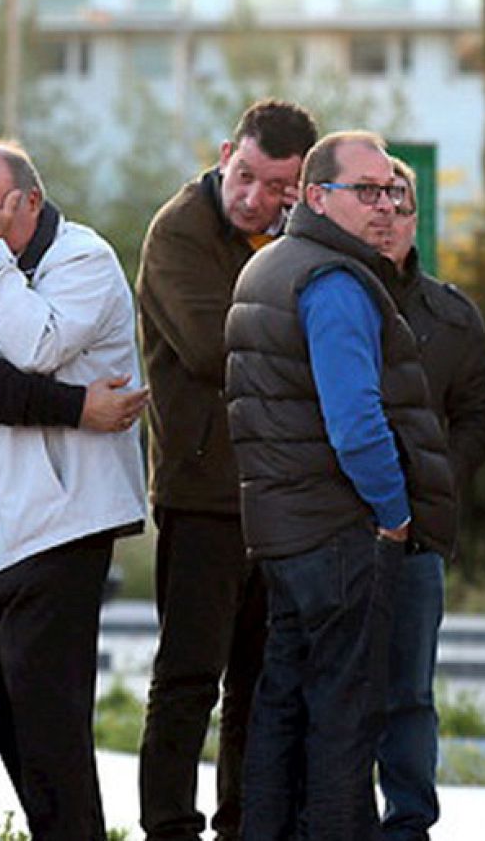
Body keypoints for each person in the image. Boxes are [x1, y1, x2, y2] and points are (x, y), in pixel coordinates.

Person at [224, 131, 457, 841]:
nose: (383, 203)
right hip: (337, 531)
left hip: (284, 530)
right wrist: (392, 514)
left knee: (282, 707)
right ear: (317, 196)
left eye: (389, 189)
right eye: (367, 190)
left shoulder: (272, 268)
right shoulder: (333, 281)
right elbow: (355, 422)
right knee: (342, 722)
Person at [0, 123, 145, 840]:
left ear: (27, 202)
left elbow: (32, 348)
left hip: (62, 525)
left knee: (52, 735)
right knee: (10, 725)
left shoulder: (83, 256)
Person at [135, 98, 317, 841]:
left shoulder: (296, 237)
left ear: (303, 186)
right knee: (187, 679)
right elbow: (217, 349)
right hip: (203, 491)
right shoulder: (179, 230)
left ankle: (247, 821)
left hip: (279, 493)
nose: (255, 197)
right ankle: (168, 826)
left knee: (263, 682)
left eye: (278, 187)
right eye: (245, 175)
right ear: (223, 154)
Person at [376, 157, 485, 840]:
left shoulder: (451, 315)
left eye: (402, 205)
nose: (388, 217)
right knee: (326, 692)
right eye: (377, 201)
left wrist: (436, 474)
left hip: (419, 534)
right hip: (327, 528)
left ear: (416, 217)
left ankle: (408, 823)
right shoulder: (313, 295)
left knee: (410, 694)